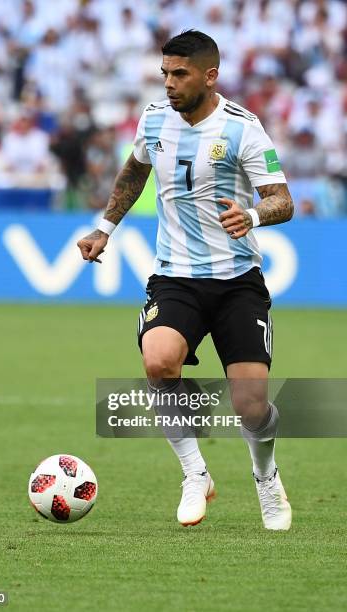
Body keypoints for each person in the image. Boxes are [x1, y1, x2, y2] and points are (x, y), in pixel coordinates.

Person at [77, 30, 294, 530]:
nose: (169, 84)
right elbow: (135, 172)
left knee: (251, 405)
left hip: (238, 280)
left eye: (180, 74)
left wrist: (254, 217)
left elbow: (282, 199)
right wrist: (105, 228)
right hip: (175, 276)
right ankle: (195, 473)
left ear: (209, 75)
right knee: (158, 360)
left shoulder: (243, 128)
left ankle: (266, 478)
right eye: (165, 74)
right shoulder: (154, 120)